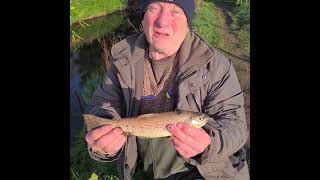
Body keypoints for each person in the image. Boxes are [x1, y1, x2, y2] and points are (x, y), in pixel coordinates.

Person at [85, 0, 249, 179]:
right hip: (139, 170)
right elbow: (102, 106)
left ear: (188, 21)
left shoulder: (216, 66)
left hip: (200, 171)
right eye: (154, 8)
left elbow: (236, 126)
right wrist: (102, 140)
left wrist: (209, 144)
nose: (162, 22)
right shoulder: (122, 60)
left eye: (175, 11)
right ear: (143, 17)